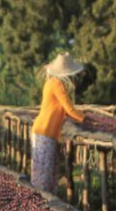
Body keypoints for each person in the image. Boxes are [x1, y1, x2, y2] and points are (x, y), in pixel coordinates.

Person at [30, 53, 89, 193]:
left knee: (49, 171)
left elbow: (65, 109)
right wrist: (86, 119)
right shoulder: (56, 84)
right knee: (44, 174)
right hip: (45, 132)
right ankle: (42, 205)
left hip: (45, 131)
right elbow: (69, 108)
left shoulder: (52, 83)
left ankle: (49, 205)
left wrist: (81, 117)